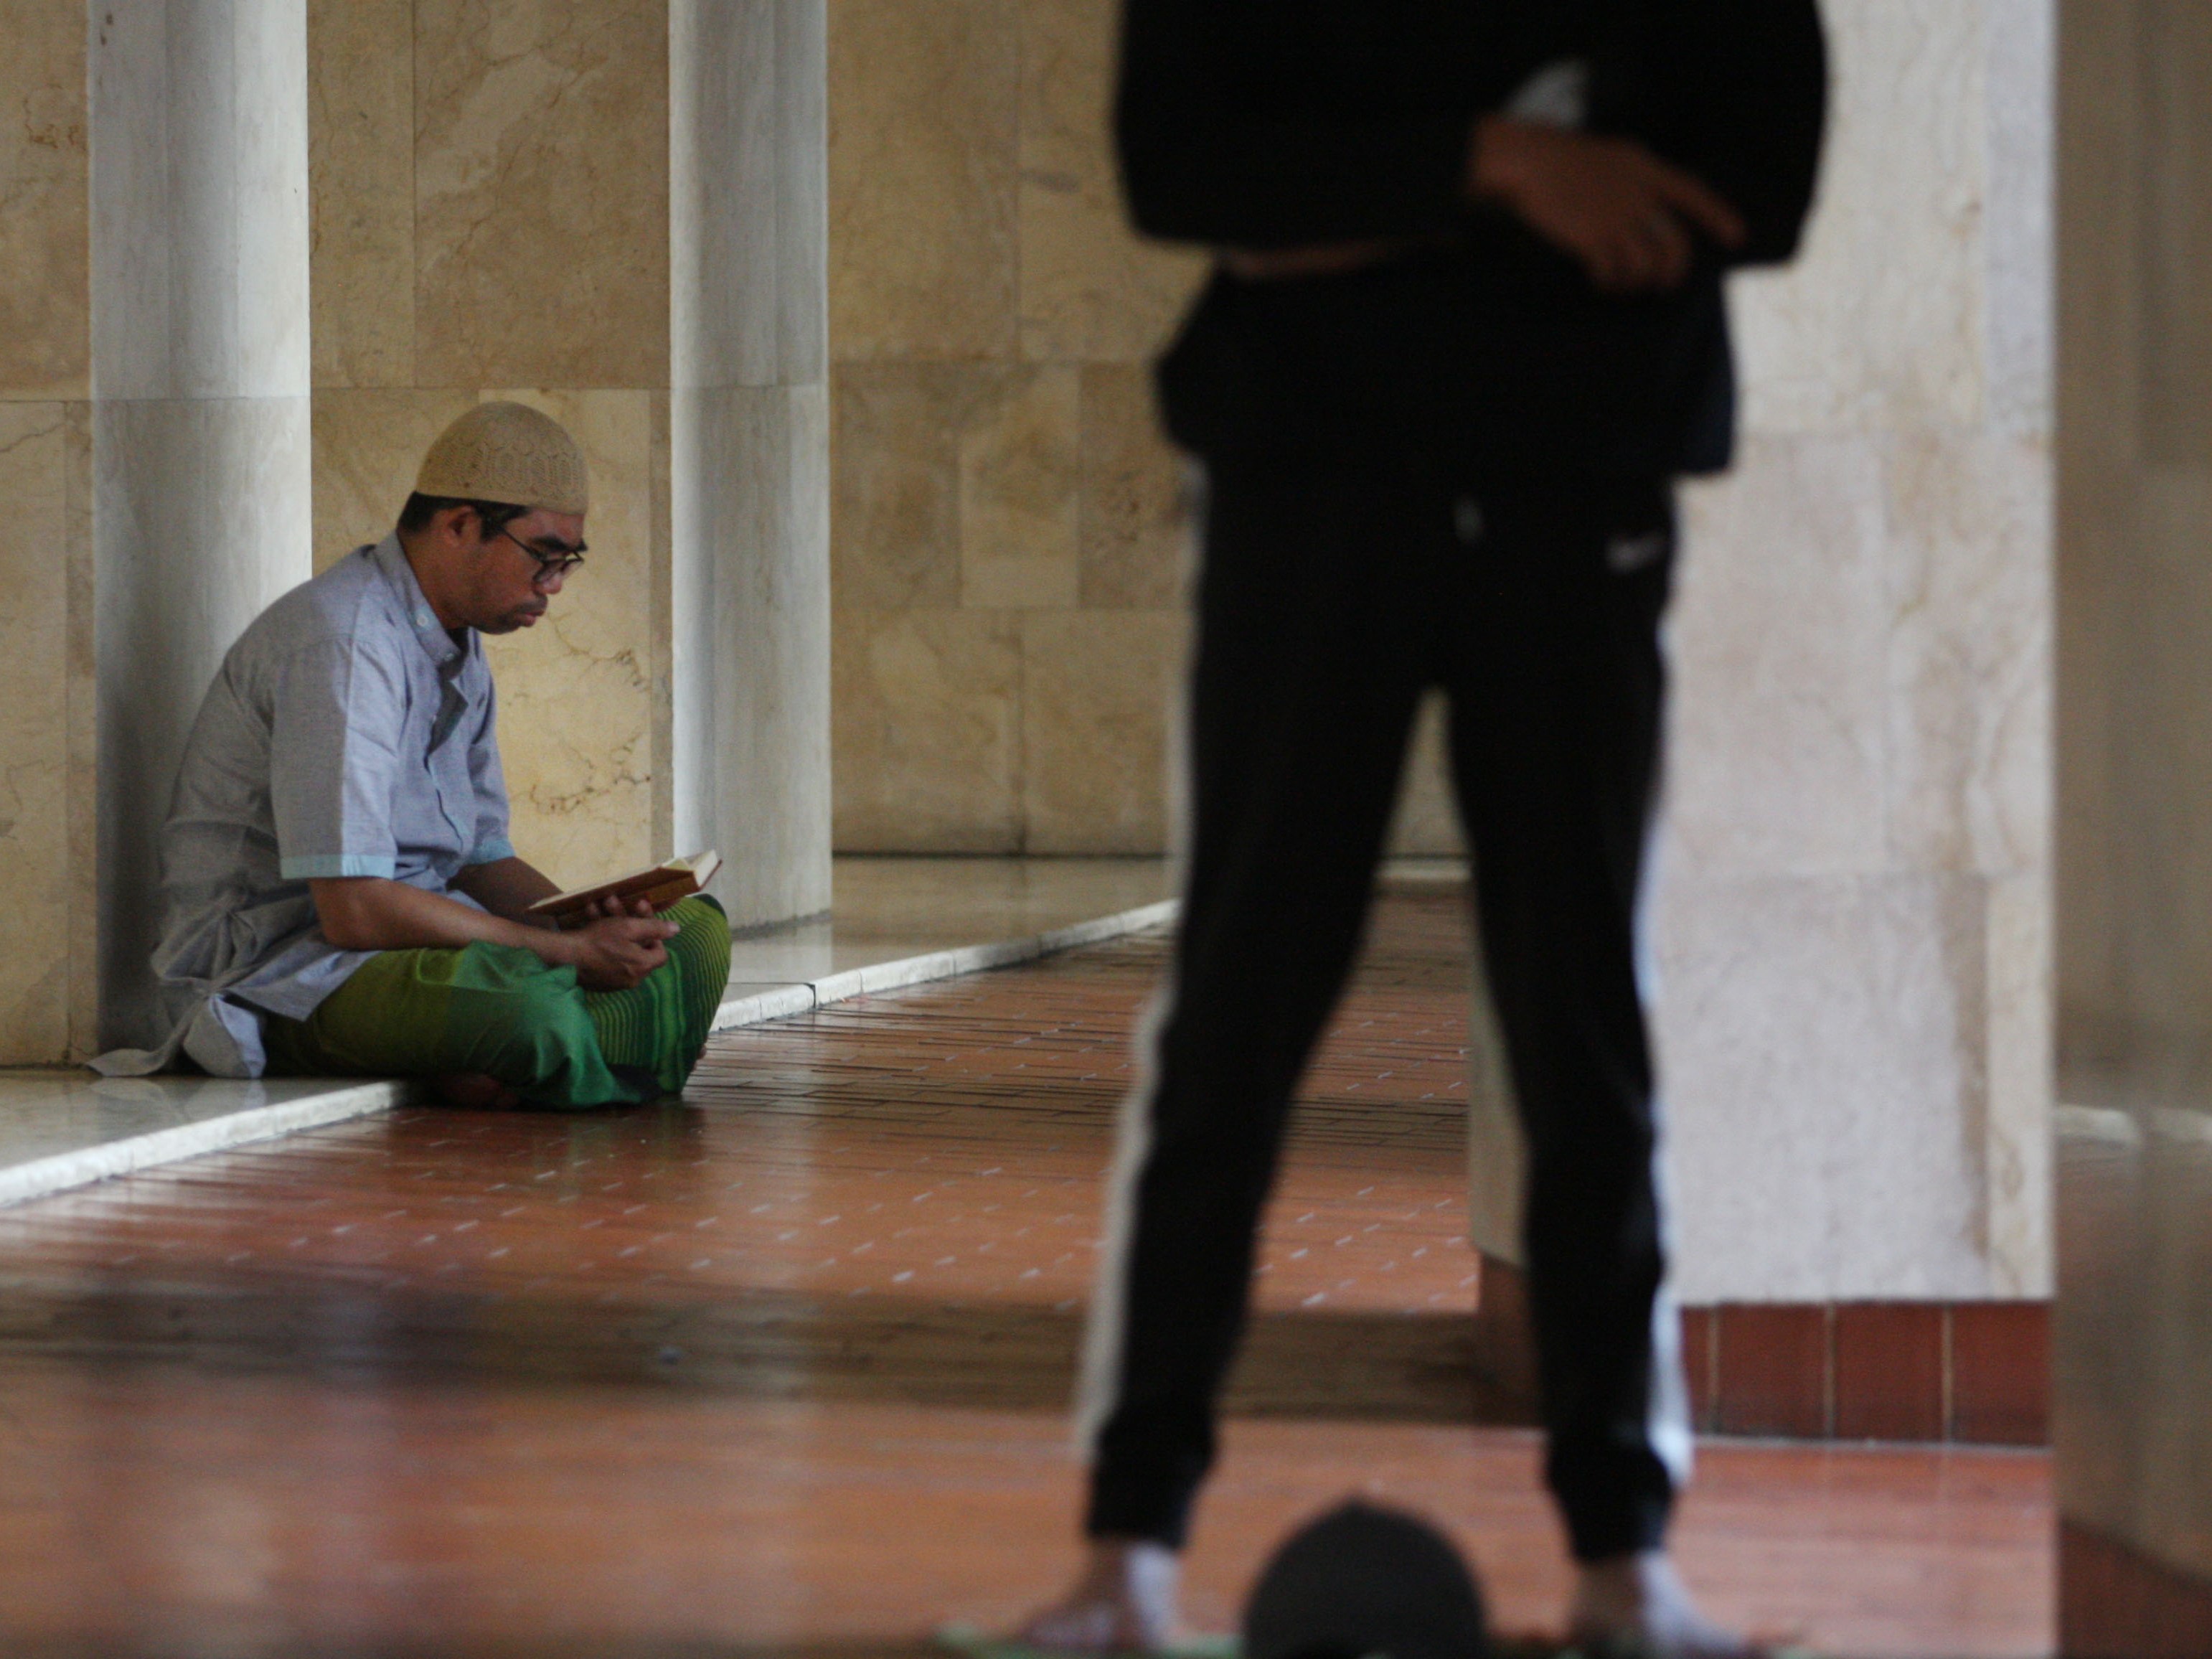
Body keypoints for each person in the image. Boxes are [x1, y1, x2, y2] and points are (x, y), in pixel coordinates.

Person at [1016, 3, 1826, 1656]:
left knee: (1580, 1016)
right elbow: (1186, 172)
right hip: (1309, 483)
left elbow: (1756, 187)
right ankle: (1126, 1556)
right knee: (1236, 1011)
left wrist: (1353, 205)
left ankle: (1624, 1564)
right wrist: (1513, 161)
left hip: (1580, 480)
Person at [93, 402, 731, 1110]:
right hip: (287, 972)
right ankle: (611, 1046)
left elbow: (483, 859)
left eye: (567, 563)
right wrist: (570, 954)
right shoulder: (344, 644)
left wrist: (583, 921)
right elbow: (354, 912)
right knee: (529, 1009)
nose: (552, 585)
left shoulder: (455, 639)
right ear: (460, 525)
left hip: (416, 946)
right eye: (543, 557)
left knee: (693, 933)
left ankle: (581, 1047)